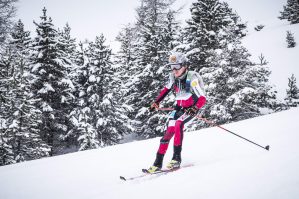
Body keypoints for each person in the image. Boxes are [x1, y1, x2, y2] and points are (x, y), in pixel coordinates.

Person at [147, 52, 206, 173]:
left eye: (177, 66)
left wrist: (194, 108)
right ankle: (157, 163)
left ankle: (176, 159)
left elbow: (202, 98)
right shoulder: (173, 77)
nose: (174, 70)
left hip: (191, 109)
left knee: (179, 123)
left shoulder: (192, 78)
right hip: (178, 108)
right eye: (171, 67)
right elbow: (165, 90)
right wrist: (156, 102)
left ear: (184, 65)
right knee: (168, 133)